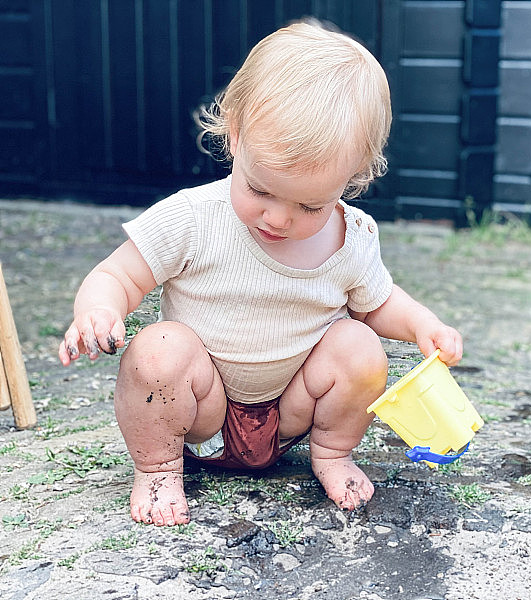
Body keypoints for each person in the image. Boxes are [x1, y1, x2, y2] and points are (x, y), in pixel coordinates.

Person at [57, 19, 462, 526]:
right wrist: (98, 309)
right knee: (157, 349)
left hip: (292, 412)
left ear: (354, 173)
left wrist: (425, 326)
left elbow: (379, 302)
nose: (277, 218)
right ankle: (158, 468)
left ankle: (332, 452)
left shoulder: (353, 235)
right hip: (202, 413)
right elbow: (117, 275)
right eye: (261, 190)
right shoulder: (193, 217)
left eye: (310, 205)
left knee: (359, 345)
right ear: (236, 132)